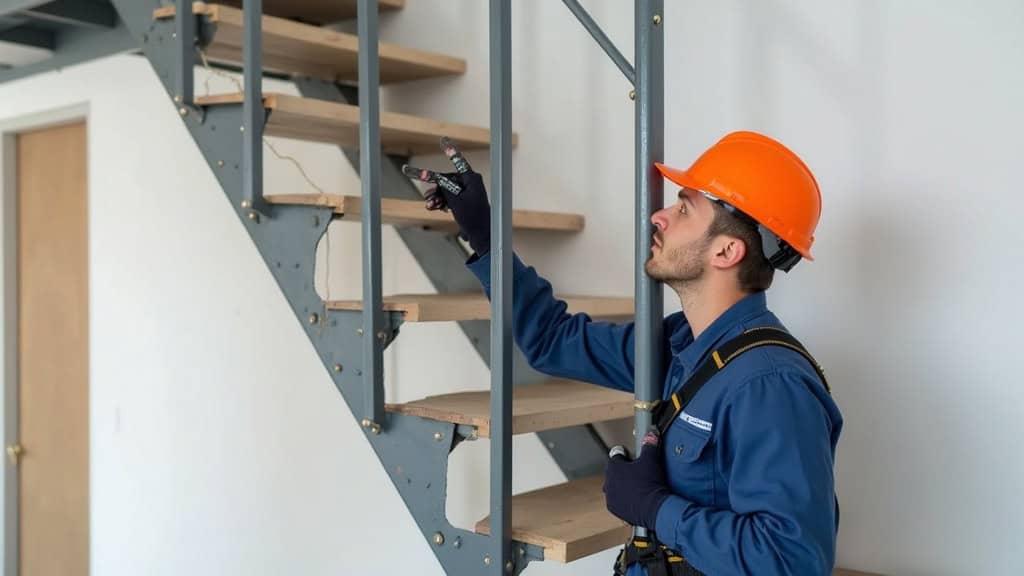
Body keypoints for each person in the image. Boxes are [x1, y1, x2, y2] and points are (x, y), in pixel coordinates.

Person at [404, 132, 843, 575]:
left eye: (684, 209)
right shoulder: (683, 345)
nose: (659, 216)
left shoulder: (768, 383)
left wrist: (656, 508)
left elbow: (792, 562)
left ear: (727, 250)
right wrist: (485, 235)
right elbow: (551, 341)